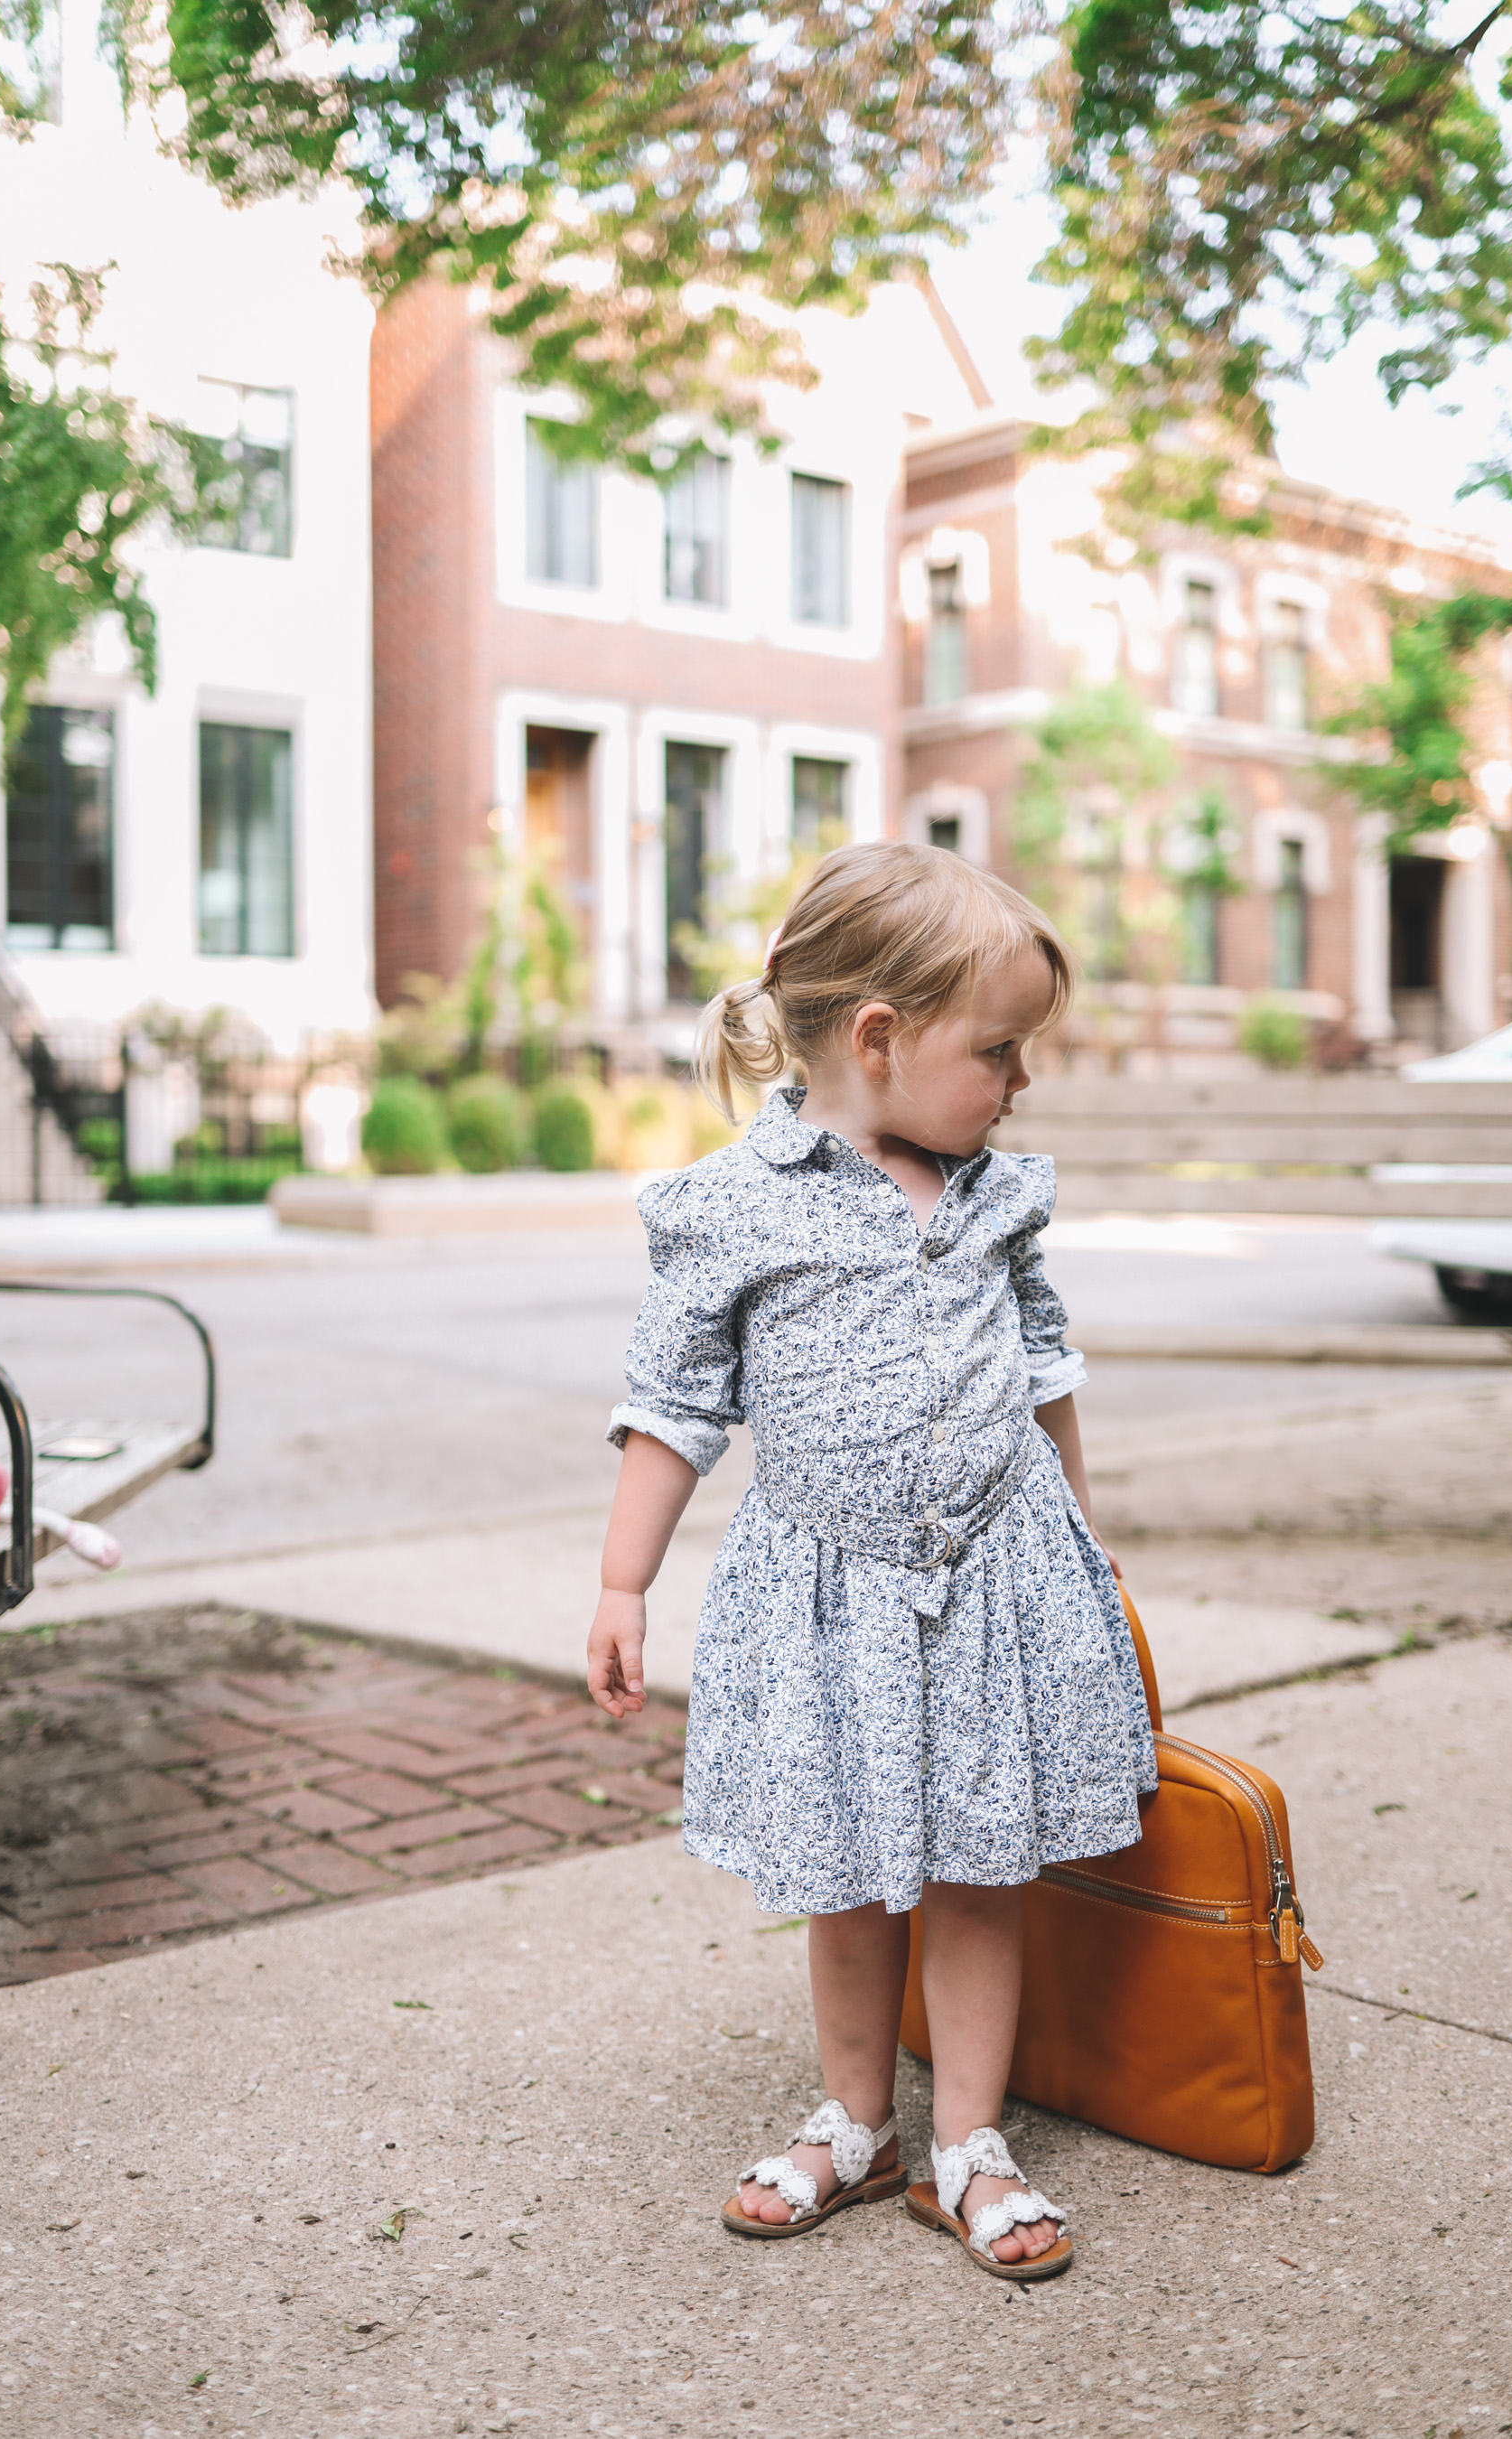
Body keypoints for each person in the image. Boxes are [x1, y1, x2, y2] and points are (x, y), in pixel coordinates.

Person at [585, 841, 1156, 2283]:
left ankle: (967, 2140)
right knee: (845, 1874)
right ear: (881, 1040)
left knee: (978, 1868)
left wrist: (1083, 1553)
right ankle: (856, 2122)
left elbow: (1042, 1370)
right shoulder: (734, 1206)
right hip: (826, 1594)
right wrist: (621, 1583)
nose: (1020, 1081)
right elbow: (670, 1410)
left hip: (991, 1579)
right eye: (1001, 1051)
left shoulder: (994, 1194)